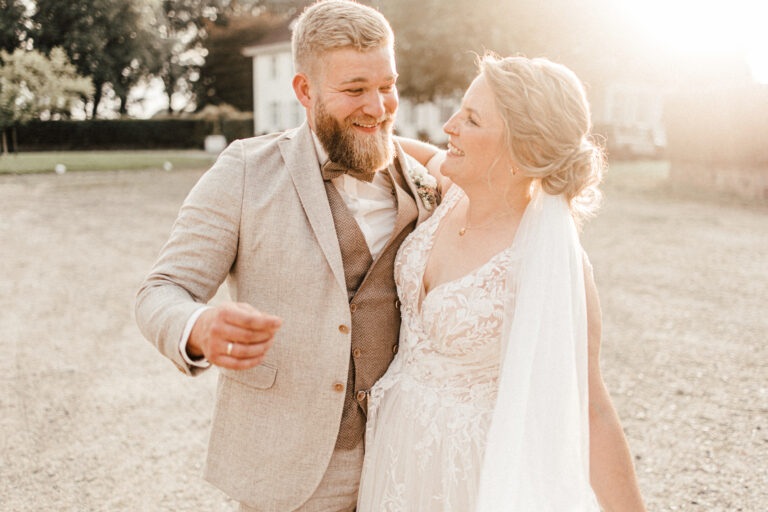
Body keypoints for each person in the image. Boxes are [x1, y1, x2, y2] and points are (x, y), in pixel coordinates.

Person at [134, 1, 437, 510]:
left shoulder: (423, 179)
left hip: (404, 458)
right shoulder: (245, 171)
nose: (378, 107)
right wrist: (198, 327)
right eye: (355, 89)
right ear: (304, 90)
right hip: (286, 467)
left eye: (387, 86)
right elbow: (161, 291)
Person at [357, 55, 647, 511]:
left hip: (474, 472)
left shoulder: (547, 261)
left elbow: (590, 407)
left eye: (471, 119)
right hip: (395, 444)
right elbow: (409, 149)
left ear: (523, 149)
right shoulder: (451, 193)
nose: (449, 125)